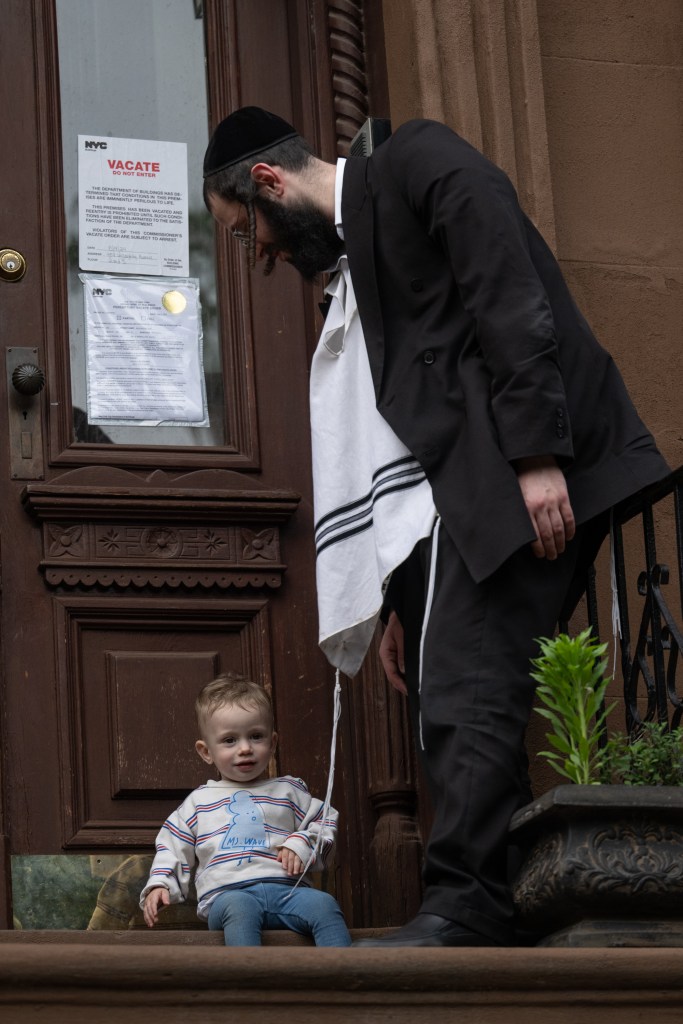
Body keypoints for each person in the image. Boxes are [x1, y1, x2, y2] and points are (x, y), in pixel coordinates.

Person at [201, 107, 670, 948]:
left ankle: (467, 904)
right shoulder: (350, 273)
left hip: (522, 469)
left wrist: (535, 454)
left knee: (466, 689)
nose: (260, 255)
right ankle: (482, 900)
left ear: (269, 181)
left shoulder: (416, 160)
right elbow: (401, 433)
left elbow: (506, 283)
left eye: (248, 233)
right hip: (461, 494)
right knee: (449, 686)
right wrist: (396, 593)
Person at [140, 673, 351, 946]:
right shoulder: (198, 802)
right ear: (206, 752)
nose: (244, 749)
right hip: (227, 896)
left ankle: (345, 984)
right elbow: (172, 844)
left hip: (288, 892)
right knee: (241, 908)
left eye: (256, 736)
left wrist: (300, 842)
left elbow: (324, 821)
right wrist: (160, 883)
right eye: (229, 740)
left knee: (325, 905)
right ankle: (249, 986)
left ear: (272, 743)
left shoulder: (289, 791)